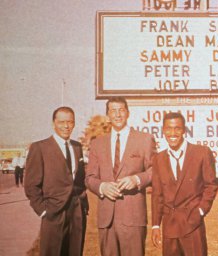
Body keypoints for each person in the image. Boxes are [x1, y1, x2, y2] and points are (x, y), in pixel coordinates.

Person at [86, 96, 156, 256]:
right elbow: (89, 177)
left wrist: (137, 179)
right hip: (107, 219)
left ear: (128, 113)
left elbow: (155, 171)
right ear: (108, 115)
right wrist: (102, 187)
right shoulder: (97, 143)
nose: (117, 115)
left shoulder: (144, 139)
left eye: (121, 110)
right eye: (113, 111)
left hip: (133, 217)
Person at [151, 112, 218, 256]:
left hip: (193, 224)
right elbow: (157, 194)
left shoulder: (201, 153)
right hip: (170, 226)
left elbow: (211, 185)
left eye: (177, 128)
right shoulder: (158, 159)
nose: (173, 133)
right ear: (163, 130)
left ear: (184, 130)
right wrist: (156, 225)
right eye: (168, 128)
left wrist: (200, 211)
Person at [24, 106, 88, 256]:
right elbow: (31, 185)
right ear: (54, 123)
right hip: (53, 213)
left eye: (70, 122)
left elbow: (79, 180)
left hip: (77, 212)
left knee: (75, 252)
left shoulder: (77, 147)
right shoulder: (39, 147)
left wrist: (83, 205)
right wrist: (43, 210)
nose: (66, 126)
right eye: (62, 122)